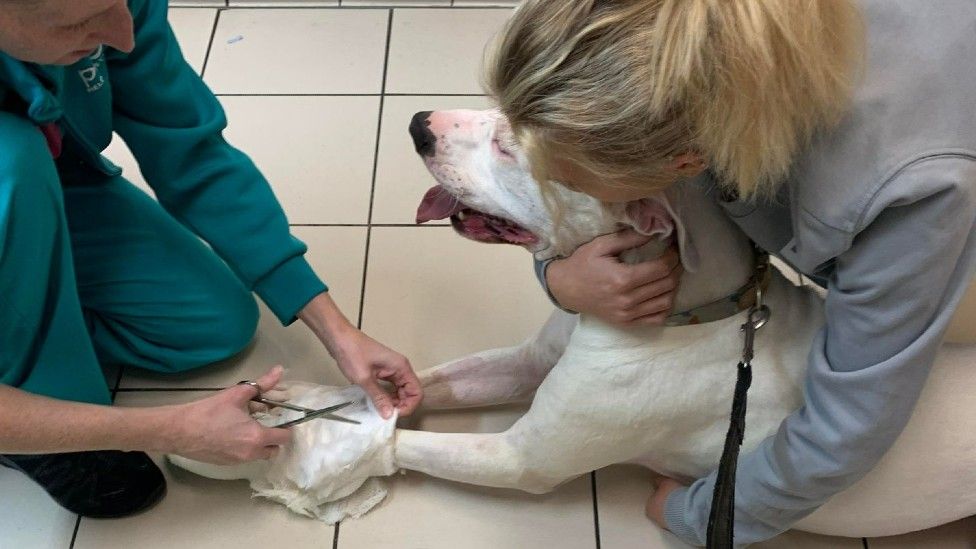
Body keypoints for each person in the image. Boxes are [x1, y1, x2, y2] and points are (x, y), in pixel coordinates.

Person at [486, 0, 976, 545]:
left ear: (686, 164)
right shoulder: (670, 63)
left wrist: (701, 517)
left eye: (573, 182)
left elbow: (848, 426)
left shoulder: (914, 185)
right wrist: (558, 275)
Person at [0, 0, 421, 519]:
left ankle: (29, 305)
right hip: (11, 176)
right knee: (11, 161)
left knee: (215, 322)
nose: (123, 36)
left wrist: (337, 329)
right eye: (78, 21)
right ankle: (28, 398)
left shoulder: (112, 13)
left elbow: (192, 153)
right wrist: (169, 428)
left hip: (57, 182)